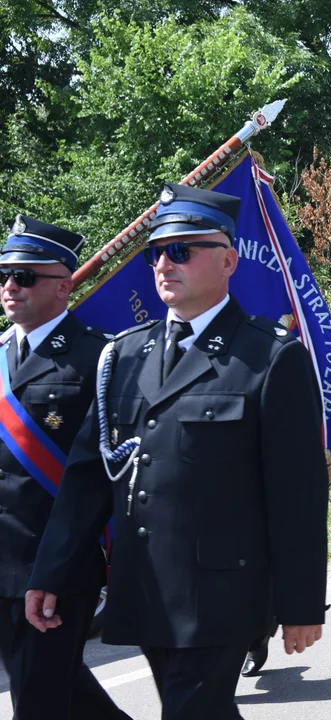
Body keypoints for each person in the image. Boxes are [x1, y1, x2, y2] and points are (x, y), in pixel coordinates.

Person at [25, 184, 329, 720]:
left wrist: (300, 604)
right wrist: (50, 571)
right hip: (146, 584)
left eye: (183, 250)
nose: (165, 263)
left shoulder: (270, 357)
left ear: (230, 260)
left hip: (223, 591)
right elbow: (88, 478)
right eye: (156, 252)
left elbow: (298, 494)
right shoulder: (125, 354)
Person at [0, 216, 130, 720]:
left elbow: (103, 475)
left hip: (54, 564)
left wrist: (55, 570)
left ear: (63, 285)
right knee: (61, 689)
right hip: (3, 560)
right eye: (5, 275)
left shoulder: (100, 357)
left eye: (25, 276)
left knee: (37, 700)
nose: (10, 286)